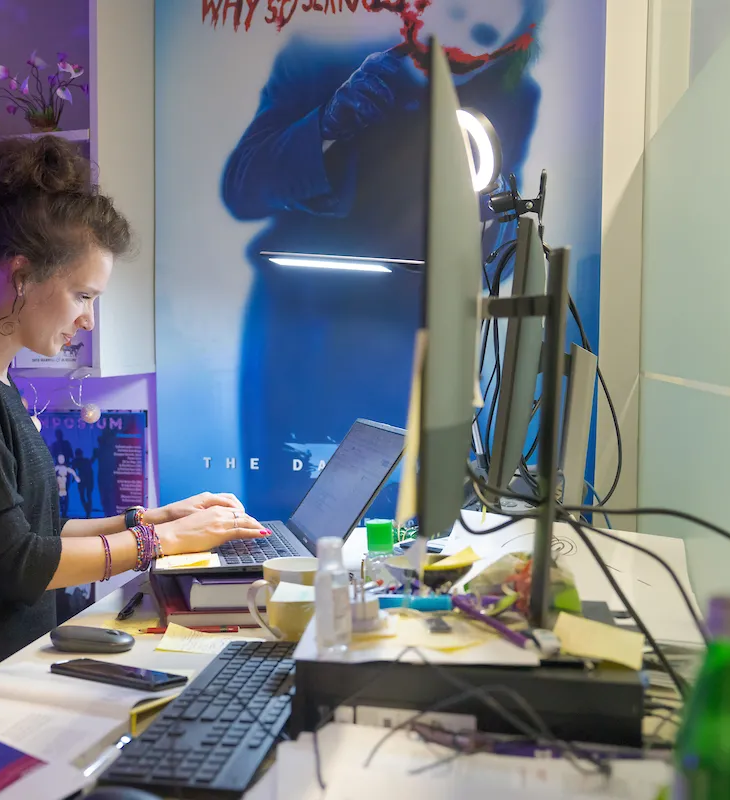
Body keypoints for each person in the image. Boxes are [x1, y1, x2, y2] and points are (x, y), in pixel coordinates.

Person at [0, 136, 269, 710]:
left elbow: (30, 532)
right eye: (82, 295)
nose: (88, 319)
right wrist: (160, 542)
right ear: (21, 275)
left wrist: (152, 518)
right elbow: (19, 565)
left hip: (1, 678)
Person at [221, 0, 543, 520]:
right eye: (456, 10)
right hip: (302, 329)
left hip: (405, 339)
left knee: (399, 522)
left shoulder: (508, 97)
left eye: (485, 32)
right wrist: (327, 125)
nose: (458, 36)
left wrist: (490, 227)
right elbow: (242, 188)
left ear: (508, 45)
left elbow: (494, 240)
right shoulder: (321, 56)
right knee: (285, 519)